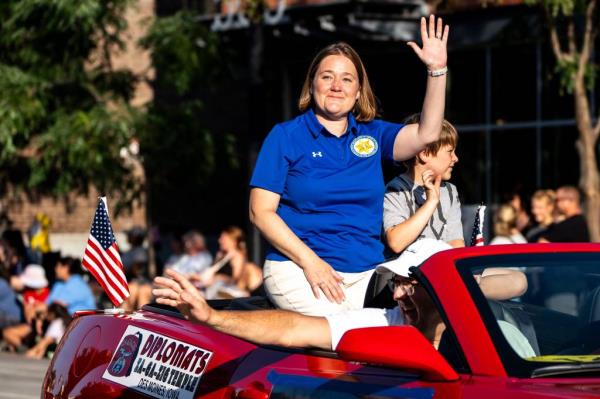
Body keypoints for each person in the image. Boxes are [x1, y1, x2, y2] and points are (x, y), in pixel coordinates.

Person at [249, 16, 450, 316]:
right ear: (312, 84)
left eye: (347, 79)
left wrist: (436, 71)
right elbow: (260, 213)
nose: (336, 86)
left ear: (358, 92)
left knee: (425, 318)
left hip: (369, 274)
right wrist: (311, 262)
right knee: (351, 332)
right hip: (301, 271)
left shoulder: (373, 134)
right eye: (327, 76)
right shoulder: (286, 136)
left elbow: (427, 134)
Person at [153, 239, 531, 357]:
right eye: (395, 281)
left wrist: (451, 288)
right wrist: (211, 317)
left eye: (408, 283)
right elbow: (296, 329)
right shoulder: (384, 322)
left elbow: (517, 282)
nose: (396, 293)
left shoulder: (484, 323)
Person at [383, 115, 464, 254]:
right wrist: (431, 202)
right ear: (424, 153)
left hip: (440, 271)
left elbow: (456, 243)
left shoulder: (450, 191)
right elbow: (395, 242)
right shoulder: (396, 189)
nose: (455, 158)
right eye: (450, 151)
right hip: (406, 274)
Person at [194, 226, 263, 299]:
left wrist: (217, 278)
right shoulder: (221, 255)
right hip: (213, 291)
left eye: (223, 239)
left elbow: (236, 280)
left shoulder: (237, 256)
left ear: (233, 241)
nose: (219, 240)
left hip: (227, 294)